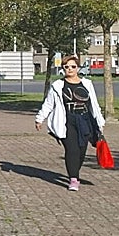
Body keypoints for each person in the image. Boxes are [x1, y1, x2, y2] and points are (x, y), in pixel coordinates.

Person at [35, 54, 106, 191]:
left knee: (81, 151)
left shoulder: (87, 84)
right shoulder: (58, 86)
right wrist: (39, 118)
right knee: (72, 149)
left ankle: (74, 171)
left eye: (73, 66)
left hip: (84, 120)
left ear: (78, 68)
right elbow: (49, 104)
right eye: (66, 67)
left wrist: (100, 121)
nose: (70, 69)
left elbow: (94, 105)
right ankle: (74, 179)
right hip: (67, 120)